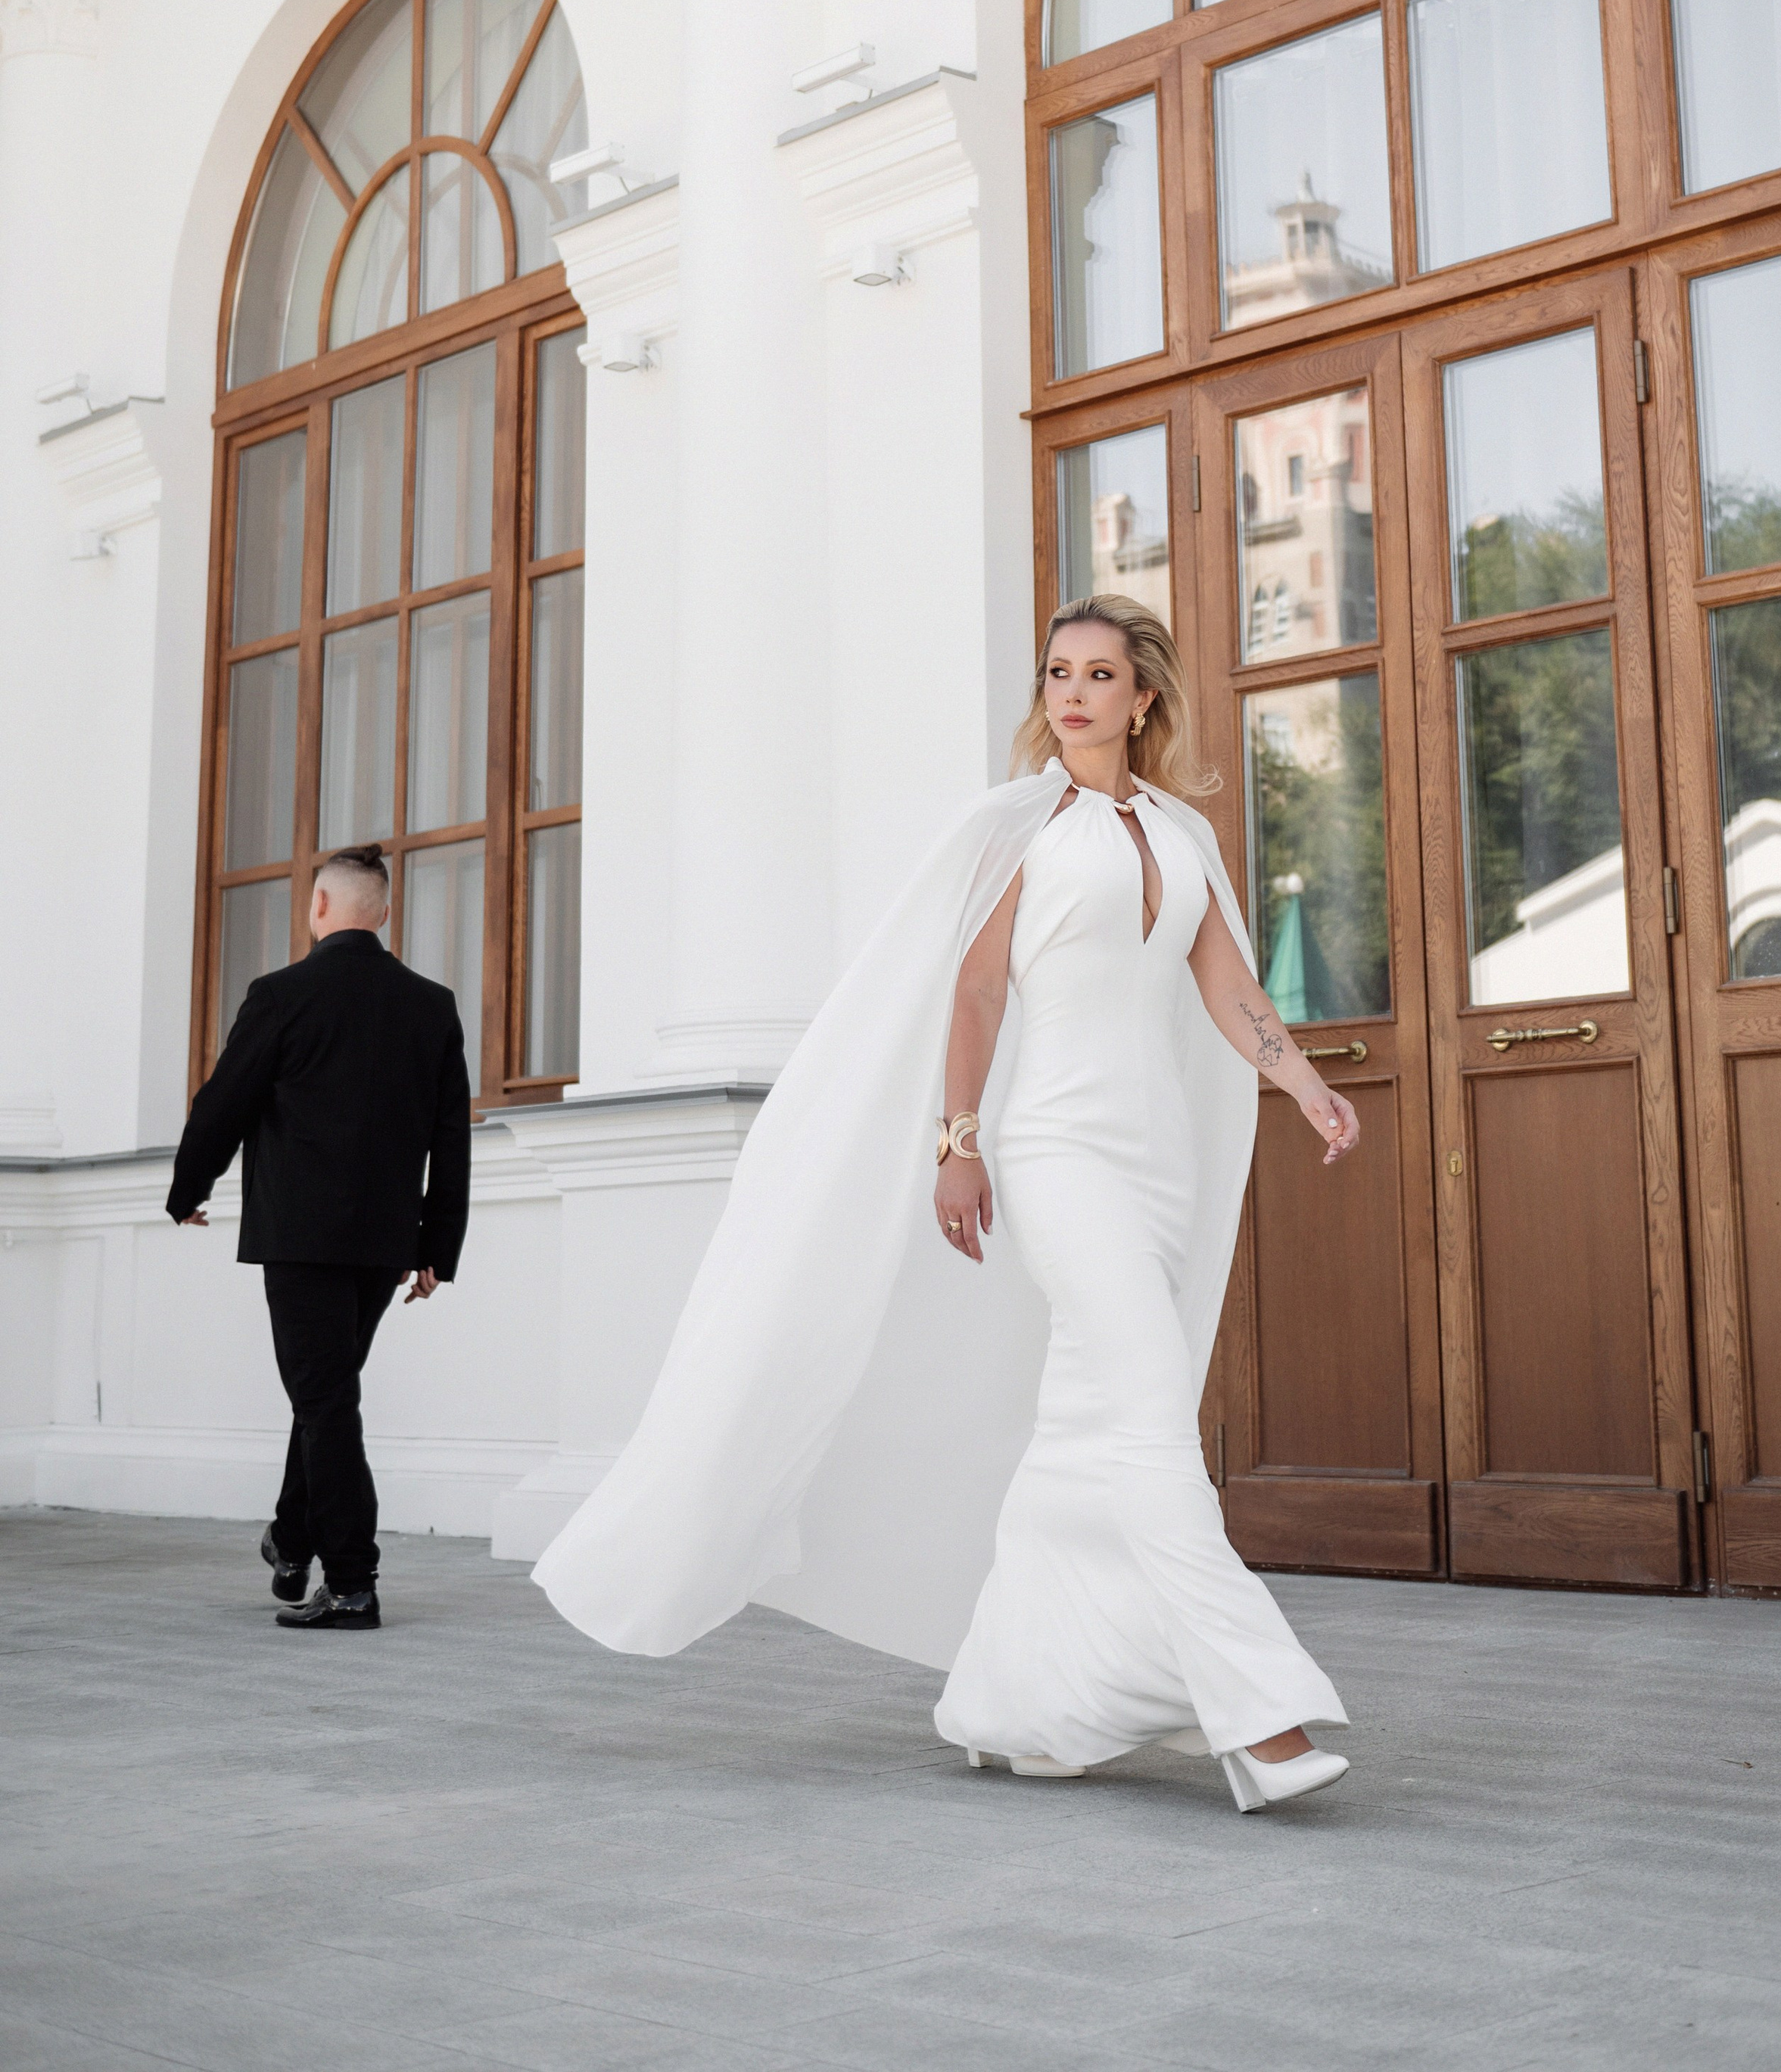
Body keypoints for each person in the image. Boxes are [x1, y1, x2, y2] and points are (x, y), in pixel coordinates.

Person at [536, 598, 1362, 1815]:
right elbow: (973, 998)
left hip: (1159, 1164)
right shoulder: (1020, 826)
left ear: (1145, 700)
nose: (1070, 694)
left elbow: (1225, 976)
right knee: (1148, 1421)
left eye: (1098, 675)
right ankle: (1261, 1714)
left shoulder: (1182, 834)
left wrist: (1299, 1081)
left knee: (1091, 1431)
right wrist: (959, 1142)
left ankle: (1021, 1706)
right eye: (1056, 673)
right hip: (1058, 1147)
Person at [167, 844, 472, 1630]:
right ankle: (293, 1541)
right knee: (324, 1395)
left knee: (326, 1401)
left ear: (320, 909)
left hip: (300, 1237)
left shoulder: (281, 995)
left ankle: (352, 1581)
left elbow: (221, 1104)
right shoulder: (431, 1005)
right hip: (382, 1243)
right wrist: (436, 1245)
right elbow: (450, 1137)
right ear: (385, 913)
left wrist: (188, 1191)